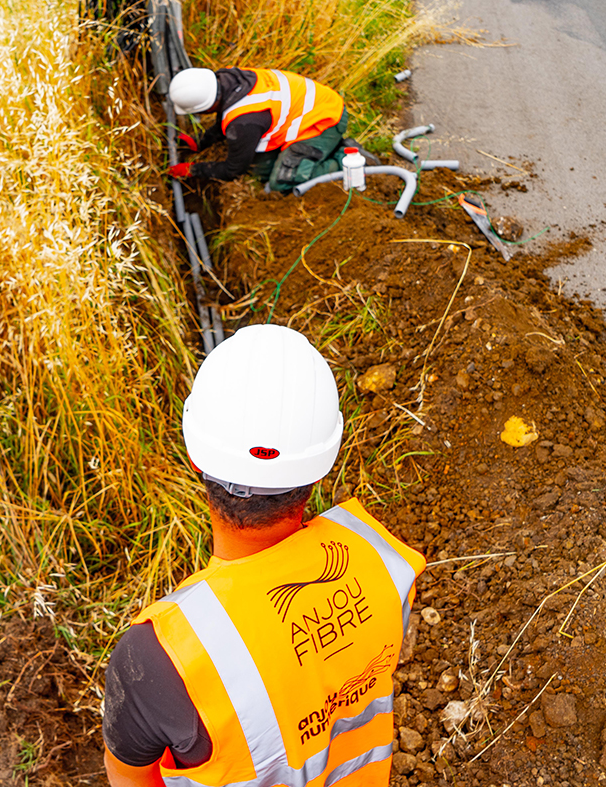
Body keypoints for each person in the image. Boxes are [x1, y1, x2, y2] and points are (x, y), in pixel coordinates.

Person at [102, 324, 426, 787]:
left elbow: (132, 781)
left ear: (197, 458)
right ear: (322, 463)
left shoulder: (159, 657)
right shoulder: (383, 562)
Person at [165, 67, 369, 194]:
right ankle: (323, 151)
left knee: (282, 182)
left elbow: (233, 170)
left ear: (207, 106)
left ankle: (346, 158)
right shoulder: (228, 79)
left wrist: (193, 170)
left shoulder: (244, 125)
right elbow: (226, 114)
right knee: (260, 172)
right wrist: (199, 141)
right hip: (306, 109)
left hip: (323, 119)